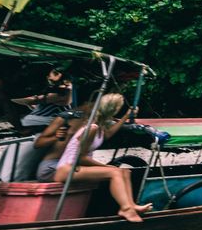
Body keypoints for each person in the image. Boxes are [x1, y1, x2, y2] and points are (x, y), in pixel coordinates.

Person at [51, 93, 149, 223]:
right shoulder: (92, 128)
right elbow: (80, 157)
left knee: (125, 172)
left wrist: (125, 117)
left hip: (75, 168)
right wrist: (105, 166)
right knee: (114, 172)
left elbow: (107, 135)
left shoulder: (99, 128)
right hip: (67, 169)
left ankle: (131, 205)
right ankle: (125, 208)